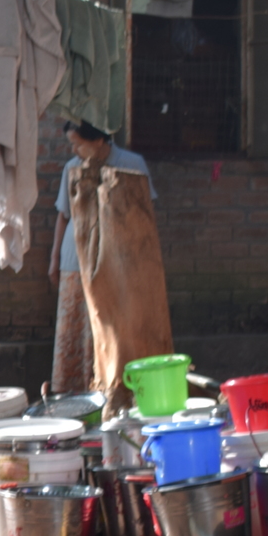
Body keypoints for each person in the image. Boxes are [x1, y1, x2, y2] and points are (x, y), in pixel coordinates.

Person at [47, 119, 155, 395]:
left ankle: (115, 390)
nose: (74, 150)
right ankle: (72, 395)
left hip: (119, 259)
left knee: (114, 325)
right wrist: (55, 257)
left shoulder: (132, 164)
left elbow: (145, 215)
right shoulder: (72, 168)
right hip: (76, 258)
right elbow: (63, 216)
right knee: (77, 325)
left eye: (78, 143)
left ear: (98, 140)